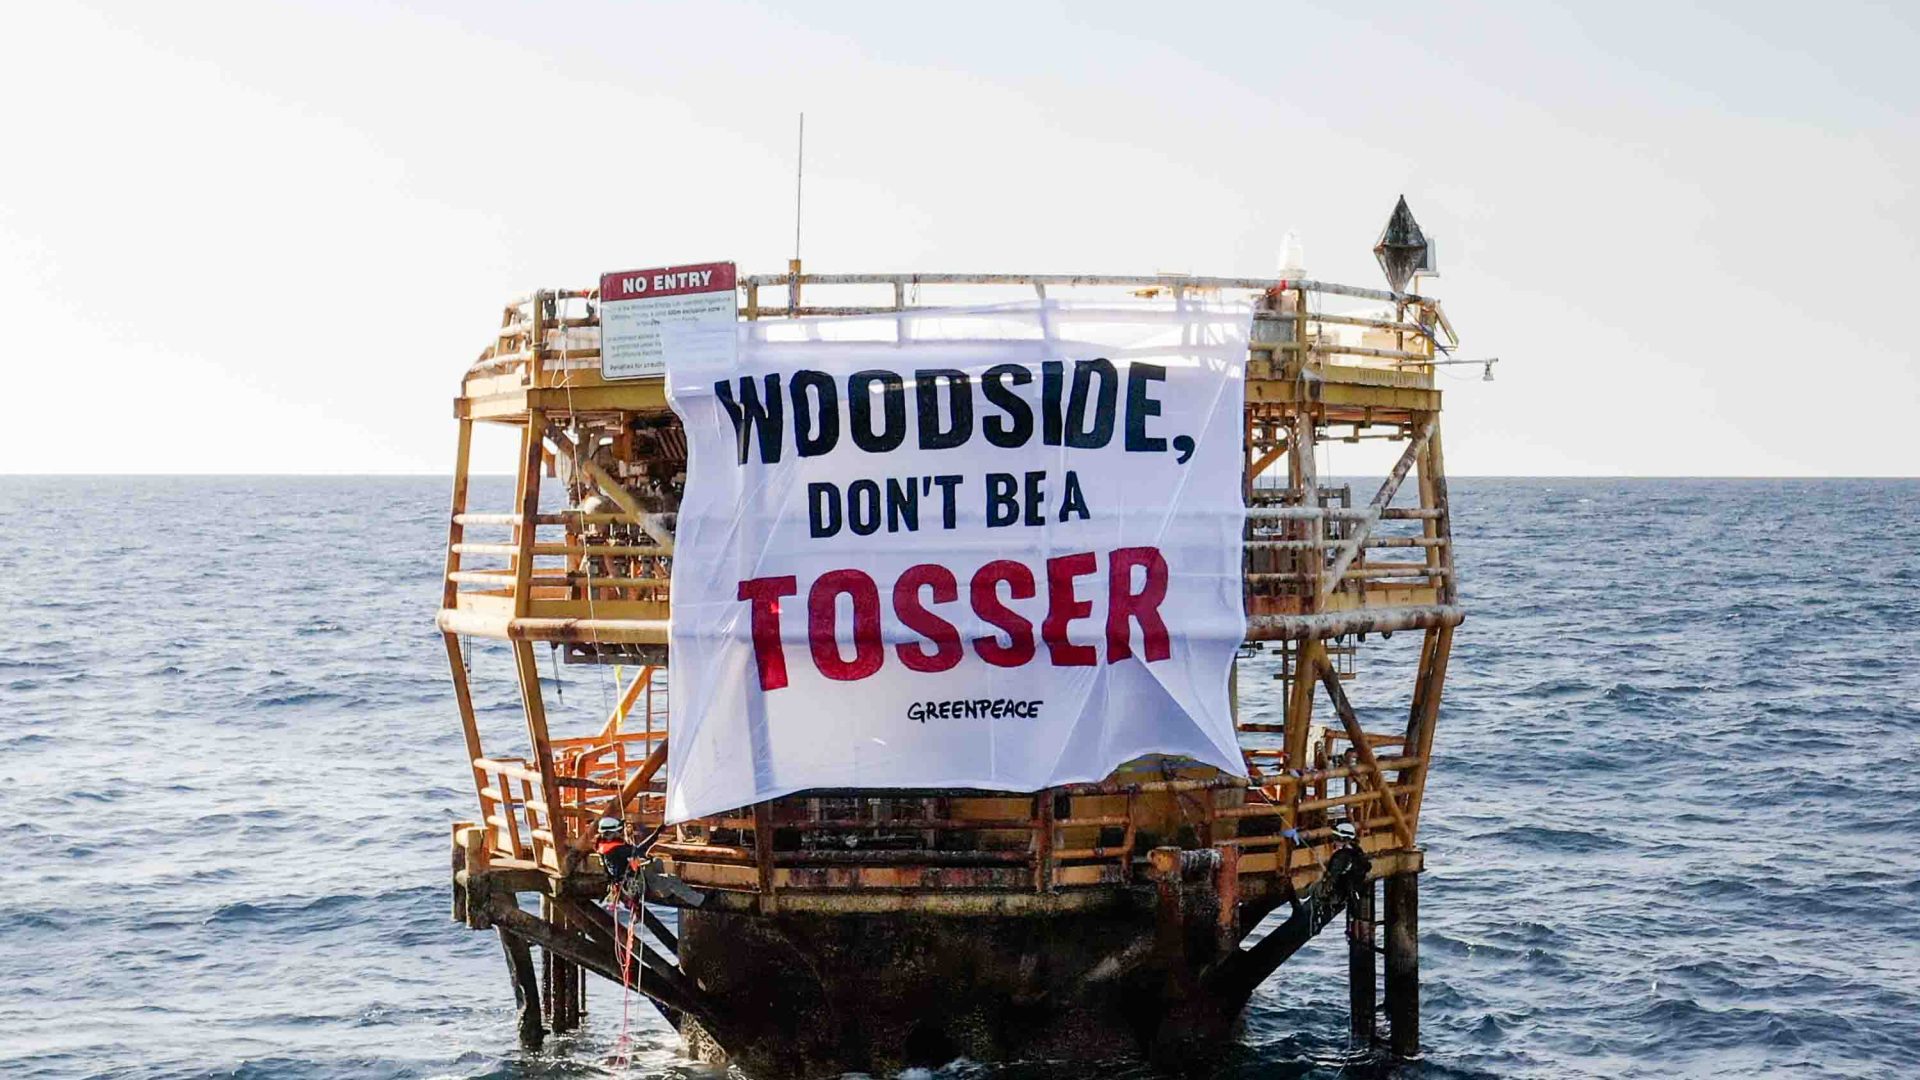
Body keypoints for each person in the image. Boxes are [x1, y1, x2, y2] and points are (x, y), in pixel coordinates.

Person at [595, 816, 639, 890]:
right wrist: (656, 834)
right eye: (619, 831)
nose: (621, 833)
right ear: (610, 834)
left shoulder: (603, 846)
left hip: (616, 881)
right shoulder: (617, 849)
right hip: (626, 883)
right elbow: (639, 850)